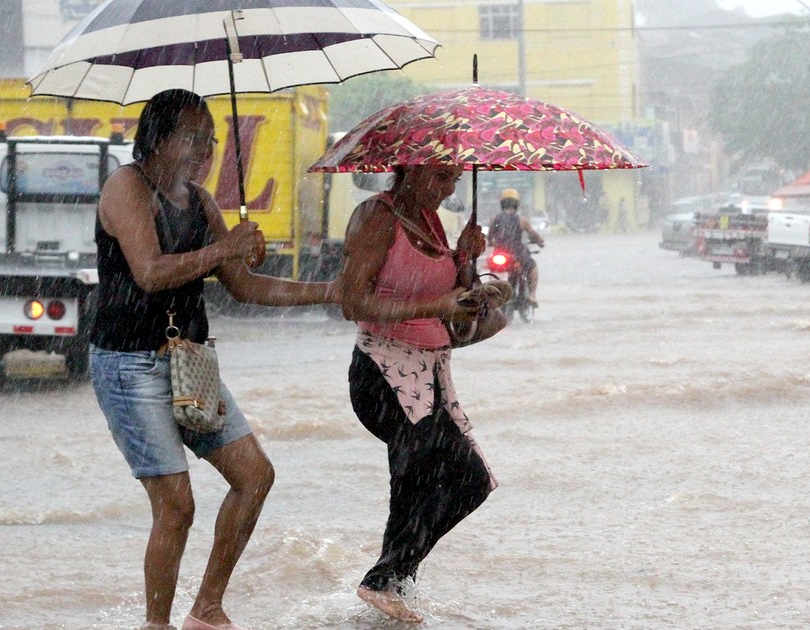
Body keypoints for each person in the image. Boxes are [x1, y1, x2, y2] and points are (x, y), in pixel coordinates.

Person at [88, 89, 338, 630]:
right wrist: (224, 249)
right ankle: (156, 624)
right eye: (193, 137)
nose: (206, 149)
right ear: (156, 139)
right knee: (176, 505)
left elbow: (244, 286)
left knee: (255, 477)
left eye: (212, 138)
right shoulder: (126, 187)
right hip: (129, 364)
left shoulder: (200, 203)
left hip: (191, 362)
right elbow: (150, 272)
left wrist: (330, 291)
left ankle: (206, 607)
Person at [339, 164, 498, 624]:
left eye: (453, 179)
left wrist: (465, 259)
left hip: (430, 370)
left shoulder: (431, 220)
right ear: (408, 171)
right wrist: (433, 306)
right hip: (380, 371)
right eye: (440, 177)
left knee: (445, 483)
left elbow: (459, 302)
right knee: (442, 475)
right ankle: (385, 580)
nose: (448, 189)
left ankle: (392, 586)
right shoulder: (376, 218)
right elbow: (352, 301)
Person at [488, 188, 546, 305]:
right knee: (533, 267)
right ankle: (532, 295)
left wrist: (491, 242)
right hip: (517, 253)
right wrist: (540, 242)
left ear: (502, 203)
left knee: (492, 271)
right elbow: (533, 234)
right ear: (516, 204)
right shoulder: (522, 220)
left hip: (500, 253)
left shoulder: (494, 219)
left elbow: (490, 236)